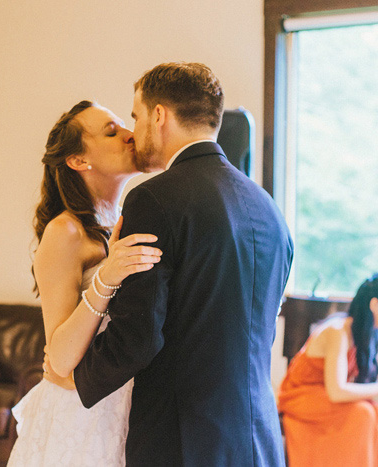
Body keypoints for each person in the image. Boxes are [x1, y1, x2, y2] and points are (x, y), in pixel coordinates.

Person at [72, 62, 294, 466]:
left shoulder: (154, 200)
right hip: (259, 440)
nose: (134, 131)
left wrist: (75, 377)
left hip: (181, 442)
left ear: (159, 116)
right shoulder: (270, 211)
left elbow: (139, 336)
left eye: (136, 116)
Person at [7, 100, 163, 466]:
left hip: (126, 403)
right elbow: (59, 358)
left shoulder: (127, 222)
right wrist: (106, 277)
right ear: (79, 161)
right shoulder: (66, 232)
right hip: (80, 413)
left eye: (126, 125)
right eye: (111, 131)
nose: (129, 136)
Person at [278, 273, 378, 467]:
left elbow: (355, 386)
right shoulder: (338, 331)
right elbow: (337, 391)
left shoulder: (377, 336)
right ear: (375, 304)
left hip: (328, 397)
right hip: (300, 397)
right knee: (362, 415)